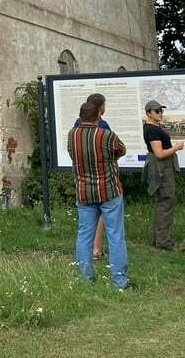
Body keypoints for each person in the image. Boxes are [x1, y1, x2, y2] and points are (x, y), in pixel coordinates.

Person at [67, 93, 131, 290]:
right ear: (98, 115)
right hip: (109, 190)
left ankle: (85, 279)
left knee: (84, 234)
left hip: (84, 192)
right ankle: (119, 281)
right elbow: (122, 150)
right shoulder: (106, 135)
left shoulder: (72, 134)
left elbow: (71, 154)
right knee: (115, 235)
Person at [142, 100, 184, 250]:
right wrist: (176, 148)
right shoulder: (153, 130)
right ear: (148, 113)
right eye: (156, 111)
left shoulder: (152, 127)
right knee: (166, 201)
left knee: (164, 202)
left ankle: (159, 238)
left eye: (161, 110)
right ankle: (162, 240)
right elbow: (159, 154)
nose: (160, 113)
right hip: (163, 168)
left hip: (163, 166)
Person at [74, 107, 110, 260]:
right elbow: (117, 149)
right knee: (105, 213)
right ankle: (97, 248)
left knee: (84, 227)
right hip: (101, 179)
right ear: (100, 111)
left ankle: (84, 271)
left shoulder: (76, 127)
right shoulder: (103, 126)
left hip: (82, 179)